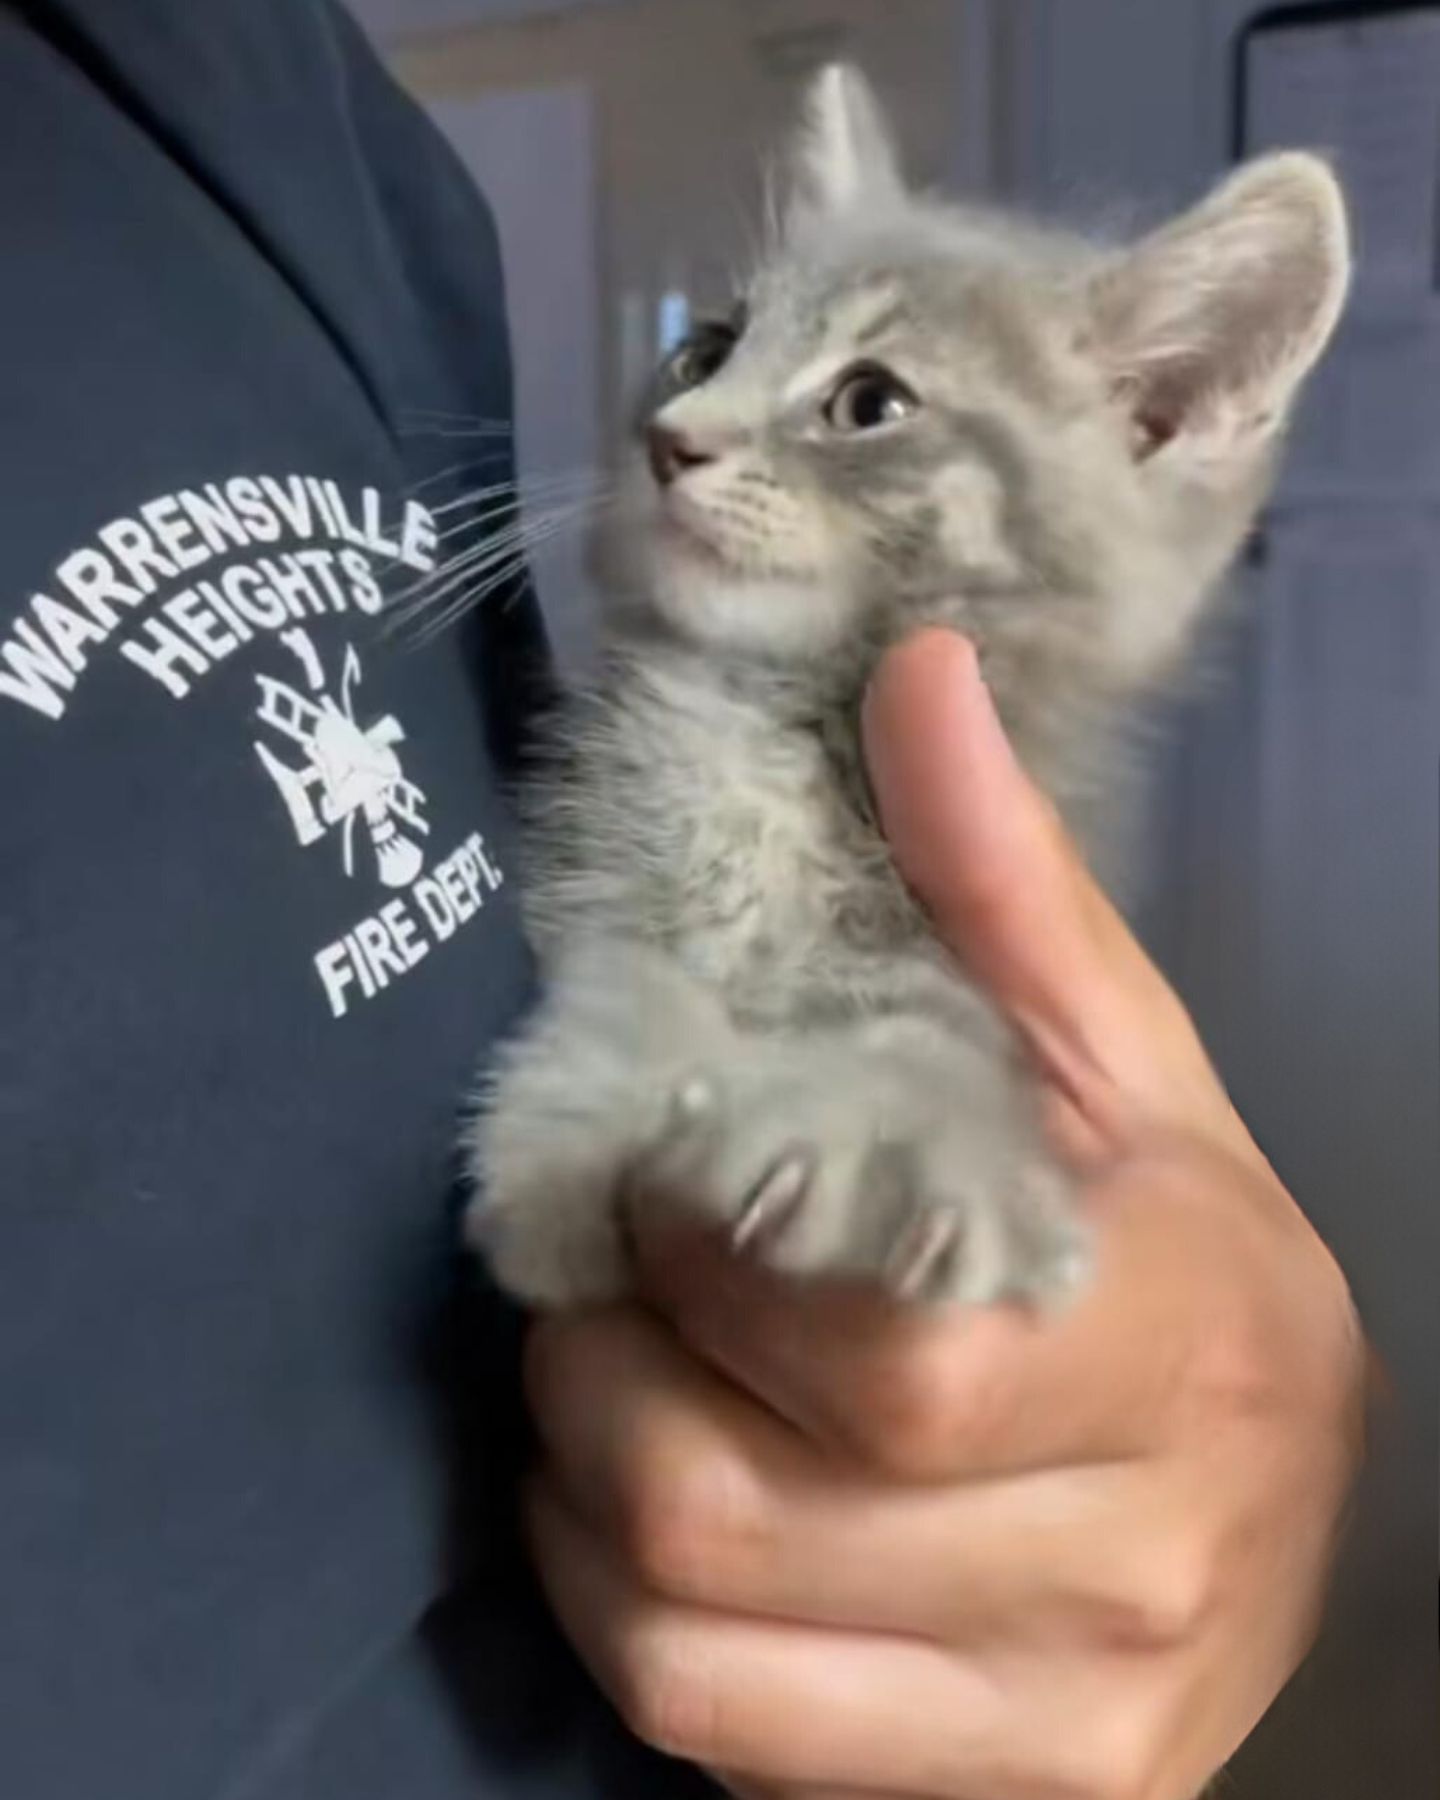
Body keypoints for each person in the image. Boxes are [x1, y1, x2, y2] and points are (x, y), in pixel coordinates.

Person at [0, 4, 1364, 1799]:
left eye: (860, 400)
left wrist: (1230, 1426)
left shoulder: (249, 85)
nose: (689, 416)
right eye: (719, 345)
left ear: (1160, 421)